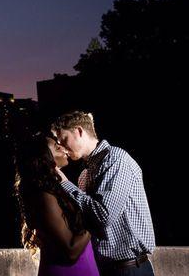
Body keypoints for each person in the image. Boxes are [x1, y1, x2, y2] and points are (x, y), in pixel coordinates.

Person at [51, 111, 156, 276]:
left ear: (79, 131)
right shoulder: (85, 175)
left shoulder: (116, 159)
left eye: (63, 139)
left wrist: (64, 184)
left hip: (129, 269)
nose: (62, 147)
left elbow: (103, 215)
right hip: (105, 269)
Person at [14, 133, 99, 276]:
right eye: (56, 146)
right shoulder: (44, 195)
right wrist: (95, 215)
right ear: (43, 156)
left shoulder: (54, 189)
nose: (63, 147)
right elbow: (70, 251)